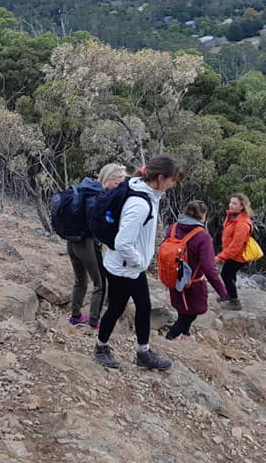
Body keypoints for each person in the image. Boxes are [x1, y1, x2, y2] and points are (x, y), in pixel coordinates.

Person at [94, 154, 184, 371]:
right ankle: (100, 347)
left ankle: (143, 353)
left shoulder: (145, 191)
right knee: (116, 308)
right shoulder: (140, 204)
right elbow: (123, 243)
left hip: (130, 267)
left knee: (144, 306)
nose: (173, 184)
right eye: (172, 180)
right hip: (124, 268)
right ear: (160, 178)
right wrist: (141, 261)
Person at [67, 163, 127, 329]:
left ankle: (75, 316)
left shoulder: (86, 189)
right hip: (87, 243)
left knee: (80, 280)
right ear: (109, 179)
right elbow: (101, 224)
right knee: (100, 283)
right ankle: (94, 322)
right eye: (117, 183)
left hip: (72, 241)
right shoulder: (100, 196)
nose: (118, 187)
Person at [164, 200, 228, 340]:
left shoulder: (172, 229)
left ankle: (185, 335)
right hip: (193, 283)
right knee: (191, 314)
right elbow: (209, 268)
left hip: (173, 277)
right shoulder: (202, 236)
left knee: (182, 309)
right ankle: (170, 337)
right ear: (203, 215)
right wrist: (223, 292)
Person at [215, 193, 254, 311]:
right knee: (230, 274)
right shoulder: (232, 217)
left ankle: (234, 301)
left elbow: (236, 246)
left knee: (226, 274)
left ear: (242, 206)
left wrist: (220, 257)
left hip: (238, 256)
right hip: (233, 254)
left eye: (234, 203)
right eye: (231, 202)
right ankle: (229, 294)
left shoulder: (242, 223)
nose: (231, 205)